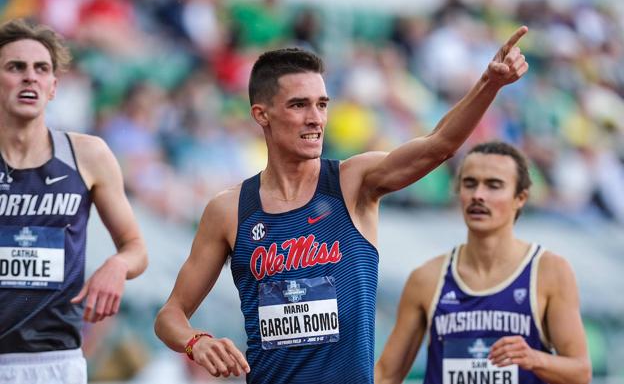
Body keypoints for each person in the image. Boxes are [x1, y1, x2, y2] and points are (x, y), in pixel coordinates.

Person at [154, 26, 529, 384]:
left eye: (322, 104)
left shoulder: (354, 182)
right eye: (299, 105)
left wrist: (489, 83)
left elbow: (439, 145)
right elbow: (170, 316)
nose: (316, 118)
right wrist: (196, 342)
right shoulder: (230, 211)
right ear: (261, 115)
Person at [0, 19, 147, 384]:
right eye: (15, 67)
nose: (29, 77)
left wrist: (117, 265)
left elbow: (136, 249)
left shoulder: (88, 154)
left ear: (53, 87)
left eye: (41, 69)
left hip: (56, 361)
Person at [375, 141, 592, 384]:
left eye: (493, 185)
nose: (478, 195)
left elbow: (580, 373)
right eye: (470, 184)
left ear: (520, 197)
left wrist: (535, 359)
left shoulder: (549, 271)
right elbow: (386, 374)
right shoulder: (427, 278)